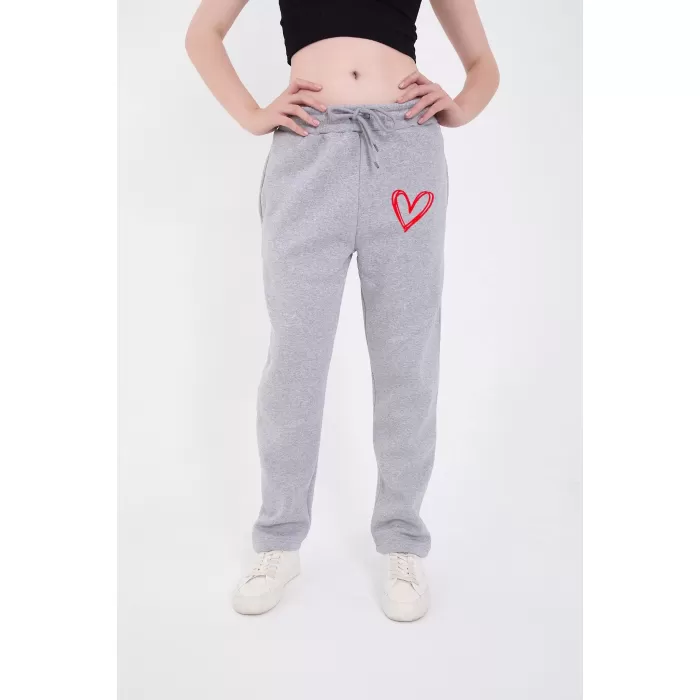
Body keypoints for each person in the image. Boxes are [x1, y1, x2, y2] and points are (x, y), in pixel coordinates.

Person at [185, 0, 499, 621]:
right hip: (308, 148)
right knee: (295, 361)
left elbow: (483, 63)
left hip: (405, 149)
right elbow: (204, 33)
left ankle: (403, 540)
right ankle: (278, 541)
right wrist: (252, 115)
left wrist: (460, 107)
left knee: (407, 357)